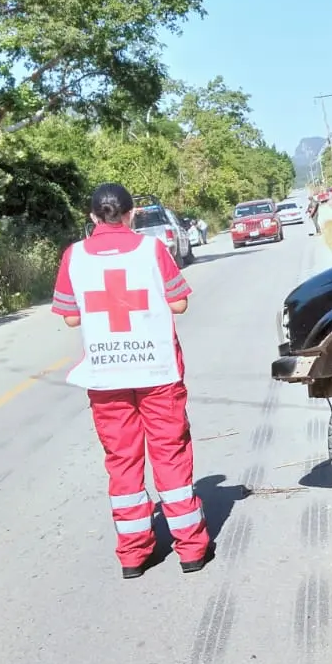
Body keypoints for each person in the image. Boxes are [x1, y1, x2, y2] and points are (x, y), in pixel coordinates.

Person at [52, 182, 213, 579]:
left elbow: (70, 317)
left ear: (92, 217)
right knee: (170, 455)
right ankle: (191, 549)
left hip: (106, 377)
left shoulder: (74, 256)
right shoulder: (151, 249)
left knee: (122, 461)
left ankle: (133, 555)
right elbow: (179, 302)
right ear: (131, 213)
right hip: (157, 372)